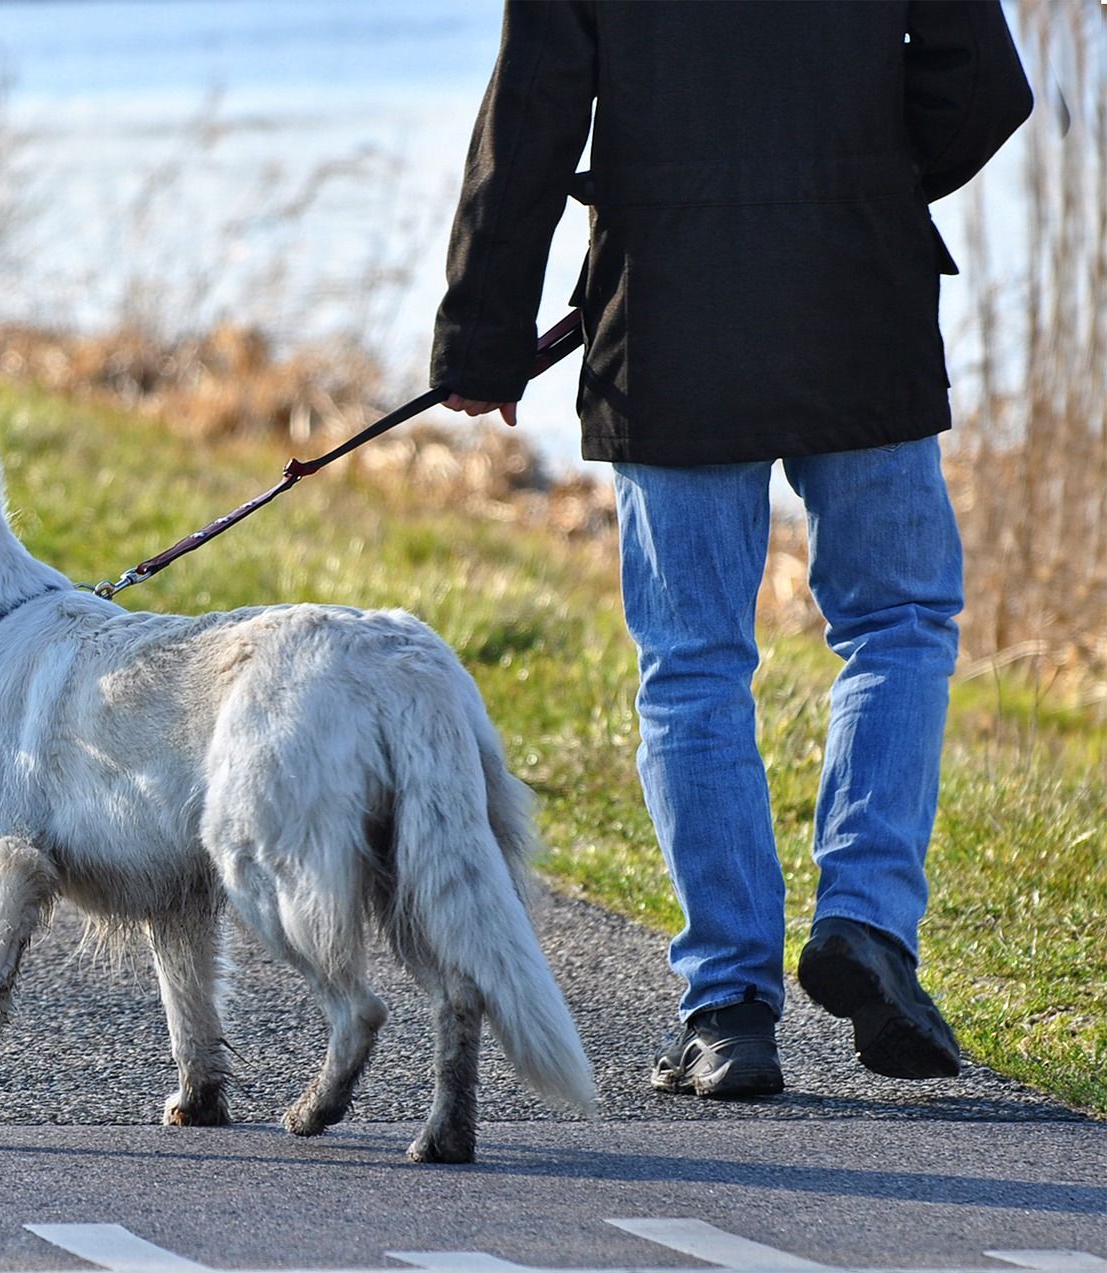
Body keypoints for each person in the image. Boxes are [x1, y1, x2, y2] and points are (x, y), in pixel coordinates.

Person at [430, 1, 1032, 1098]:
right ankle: (866, 921)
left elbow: (532, 116)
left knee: (695, 660)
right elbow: (984, 88)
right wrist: (865, 180)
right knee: (898, 624)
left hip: (670, 319)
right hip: (862, 296)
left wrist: (483, 332)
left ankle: (728, 1011)